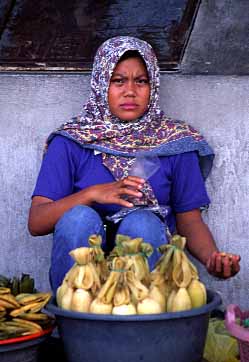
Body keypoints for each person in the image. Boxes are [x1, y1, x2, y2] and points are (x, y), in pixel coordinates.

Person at [28, 36, 240, 294]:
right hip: (82, 285)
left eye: (141, 81)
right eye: (118, 80)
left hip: (145, 283)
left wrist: (211, 259)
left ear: (153, 86)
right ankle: (76, 318)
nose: (130, 91)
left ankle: (140, 321)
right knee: (78, 218)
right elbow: (37, 222)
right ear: (100, 84)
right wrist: (92, 194)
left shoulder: (174, 142)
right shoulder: (72, 141)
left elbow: (189, 220)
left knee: (143, 222)